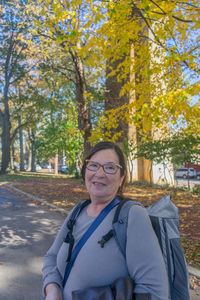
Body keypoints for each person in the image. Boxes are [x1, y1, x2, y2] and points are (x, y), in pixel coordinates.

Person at [42, 141, 169, 300]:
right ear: (85, 171)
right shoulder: (78, 210)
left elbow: (154, 291)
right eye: (93, 165)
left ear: (121, 178)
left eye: (110, 168)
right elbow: (51, 258)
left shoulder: (132, 215)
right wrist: (52, 289)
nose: (100, 174)